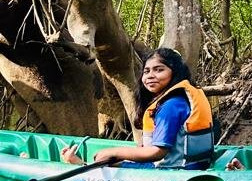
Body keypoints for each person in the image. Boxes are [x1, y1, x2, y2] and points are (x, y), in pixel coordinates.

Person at [61, 47, 214, 169]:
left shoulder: (171, 106)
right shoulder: (179, 99)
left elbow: (157, 152)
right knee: (113, 159)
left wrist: (114, 151)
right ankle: (84, 164)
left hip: (173, 171)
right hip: (193, 166)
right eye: (146, 71)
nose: (150, 75)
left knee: (109, 159)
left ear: (174, 73)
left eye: (159, 70)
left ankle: (79, 165)